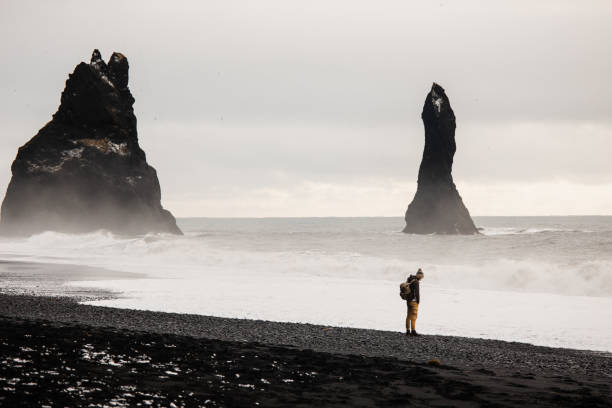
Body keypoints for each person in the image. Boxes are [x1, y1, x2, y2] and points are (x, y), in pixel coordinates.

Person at [406, 268, 424, 336]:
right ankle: (413, 331)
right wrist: (418, 301)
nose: (422, 278)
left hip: (408, 300)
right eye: (422, 276)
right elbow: (417, 292)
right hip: (414, 301)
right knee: (414, 316)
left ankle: (408, 331)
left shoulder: (409, 279)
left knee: (408, 315)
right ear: (420, 276)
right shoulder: (416, 282)